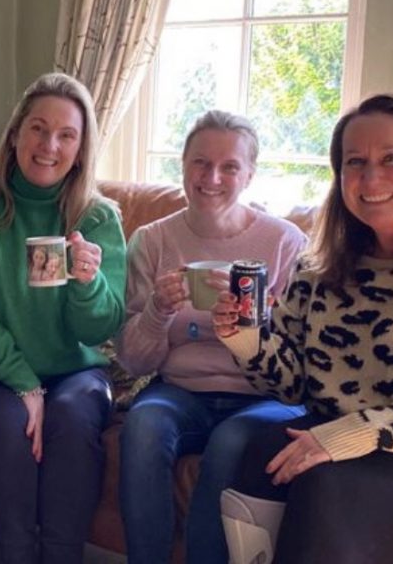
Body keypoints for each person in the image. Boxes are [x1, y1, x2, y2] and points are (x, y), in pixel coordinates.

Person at [213, 94, 393, 564]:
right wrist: (248, 340)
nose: (371, 178)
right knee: (262, 455)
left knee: (319, 482)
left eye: (391, 159)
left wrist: (357, 433)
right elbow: (293, 384)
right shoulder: (320, 265)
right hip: (345, 433)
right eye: (355, 162)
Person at [0, 72, 126, 563]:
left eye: (66, 135)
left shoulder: (99, 217)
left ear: (81, 150)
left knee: (74, 415)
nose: (49, 146)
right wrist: (25, 383)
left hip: (74, 371)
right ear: (16, 132)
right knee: (10, 417)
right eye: (38, 128)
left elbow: (100, 329)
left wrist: (87, 283)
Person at [114, 111, 306, 564]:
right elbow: (134, 362)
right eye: (200, 162)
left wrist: (255, 321)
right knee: (142, 427)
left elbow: (303, 356)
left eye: (230, 167)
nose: (212, 177)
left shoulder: (284, 242)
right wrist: (158, 311)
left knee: (231, 441)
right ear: (183, 164)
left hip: (262, 396)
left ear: (250, 174)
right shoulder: (153, 241)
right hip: (180, 391)